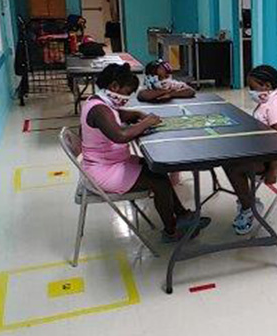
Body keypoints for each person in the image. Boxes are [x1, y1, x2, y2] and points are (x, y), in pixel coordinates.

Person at [80, 63, 210, 242]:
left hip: (112, 162)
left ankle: (182, 215)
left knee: (158, 171)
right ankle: (171, 232)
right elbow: (120, 135)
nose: (127, 98)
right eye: (126, 92)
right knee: (160, 184)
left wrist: (137, 114)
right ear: (114, 87)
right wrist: (146, 122)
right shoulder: (98, 109)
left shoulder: (101, 102)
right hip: (103, 171)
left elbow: (120, 115)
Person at [225, 65, 277, 235]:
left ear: (267, 85)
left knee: (234, 167)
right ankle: (247, 200)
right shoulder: (267, 99)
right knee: (227, 159)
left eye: (252, 88)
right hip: (265, 150)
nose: (250, 92)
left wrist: (273, 170)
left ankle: (248, 208)